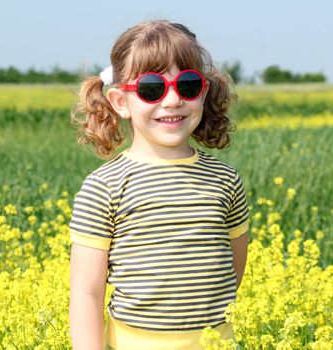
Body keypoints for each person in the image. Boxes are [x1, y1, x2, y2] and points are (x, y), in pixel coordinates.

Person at [68, 20, 250, 350]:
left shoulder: (225, 181)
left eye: (188, 85)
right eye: (152, 88)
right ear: (120, 102)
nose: (172, 101)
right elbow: (86, 293)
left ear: (203, 92)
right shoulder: (104, 187)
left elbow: (232, 269)